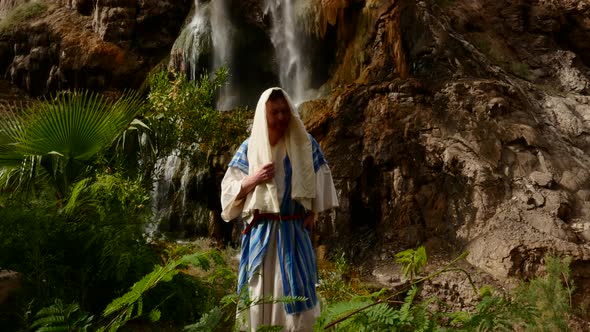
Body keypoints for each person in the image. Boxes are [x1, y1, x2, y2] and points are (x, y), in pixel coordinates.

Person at [220, 87, 338, 331]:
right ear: (264, 114)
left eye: (285, 111)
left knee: (297, 292)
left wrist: (312, 212)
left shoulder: (304, 144)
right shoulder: (249, 148)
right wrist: (254, 179)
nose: (282, 117)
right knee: (258, 294)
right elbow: (228, 191)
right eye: (275, 112)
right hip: (261, 235)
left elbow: (319, 178)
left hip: (293, 233)